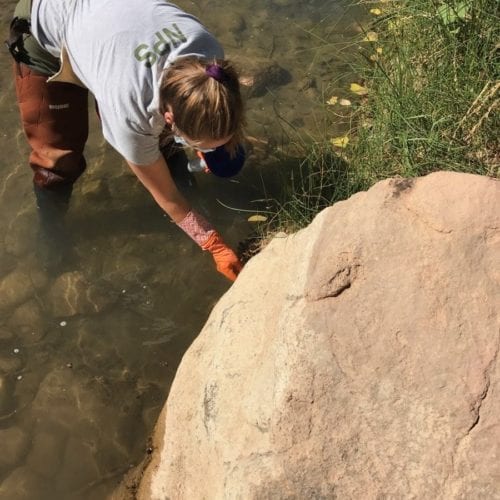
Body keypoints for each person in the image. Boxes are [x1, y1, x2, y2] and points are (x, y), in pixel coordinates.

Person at [6, 0, 245, 281]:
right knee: (59, 160)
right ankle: (50, 229)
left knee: (171, 149)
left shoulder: (212, 60)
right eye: (199, 146)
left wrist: (211, 149)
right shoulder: (130, 112)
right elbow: (168, 199)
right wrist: (213, 244)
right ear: (169, 118)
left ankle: (186, 162)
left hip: (108, 37)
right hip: (46, 21)